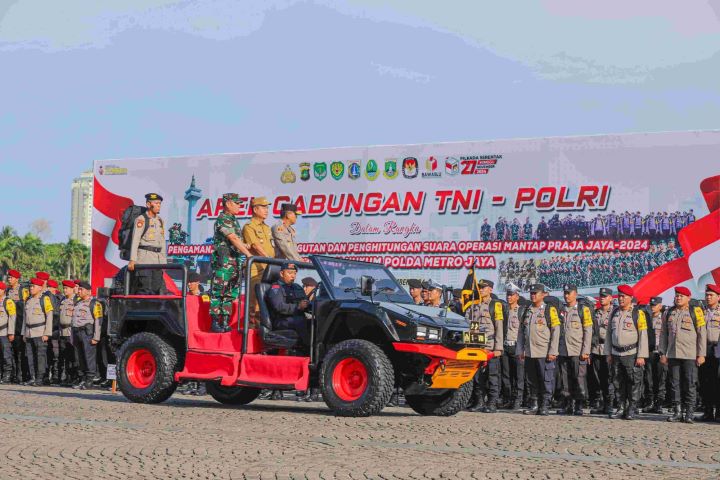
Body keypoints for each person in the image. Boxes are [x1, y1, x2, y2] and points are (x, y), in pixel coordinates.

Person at [660, 286, 706, 423]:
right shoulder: (669, 312)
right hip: (673, 353)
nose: (678, 298)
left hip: (690, 354)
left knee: (690, 383)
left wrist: (701, 354)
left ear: (688, 298)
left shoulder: (696, 311)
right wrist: (663, 353)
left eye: (681, 296)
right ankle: (677, 411)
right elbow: (663, 334)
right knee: (674, 384)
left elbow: (701, 334)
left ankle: (689, 412)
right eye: (677, 296)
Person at [210, 194, 253, 333]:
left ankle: (225, 322)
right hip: (224, 262)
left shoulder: (233, 220)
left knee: (230, 293)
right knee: (218, 292)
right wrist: (248, 254)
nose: (240, 206)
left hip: (235, 262)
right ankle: (215, 322)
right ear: (228, 204)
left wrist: (246, 246)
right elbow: (232, 238)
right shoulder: (222, 219)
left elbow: (237, 241)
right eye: (237, 203)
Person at [605, 284, 648, 420]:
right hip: (616, 353)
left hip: (631, 353)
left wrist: (641, 355)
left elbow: (643, 335)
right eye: (619, 296)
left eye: (623, 296)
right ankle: (621, 407)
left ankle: (631, 408)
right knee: (618, 382)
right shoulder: (614, 312)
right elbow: (608, 335)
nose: (621, 299)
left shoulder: (637, 314)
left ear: (630, 298)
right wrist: (608, 353)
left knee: (633, 382)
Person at [517, 283, 560, 415]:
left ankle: (545, 404)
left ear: (543, 294)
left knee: (545, 379)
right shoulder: (526, 310)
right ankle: (534, 404)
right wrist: (520, 350)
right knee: (532, 380)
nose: (533, 295)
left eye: (536, 293)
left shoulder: (549, 310)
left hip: (544, 351)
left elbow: (555, 330)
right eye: (531, 293)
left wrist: (553, 351)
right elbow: (521, 332)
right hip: (530, 351)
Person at [465, 279, 505, 413]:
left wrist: (498, 347)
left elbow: (499, 327)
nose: (481, 290)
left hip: (490, 346)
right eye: (480, 287)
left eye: (484, 287)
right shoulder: (473, 305)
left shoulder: (495, 305)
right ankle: (479, 401)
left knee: (492, 375)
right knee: (477, 377)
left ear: (491, 289)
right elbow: (470, 325)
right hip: (476, 346)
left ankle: (492, 402)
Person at [557, 284, 593, 416]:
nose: (566, 296)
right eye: (565, 293)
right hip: (563, 349)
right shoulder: (561, 309)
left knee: (579, 378)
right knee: (565, 379)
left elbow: (588, 331)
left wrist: (586, 350)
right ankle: (568, 404)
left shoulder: (583, 309)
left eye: (569, 293)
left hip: (578, 349)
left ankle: (579, 404)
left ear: (575, 294)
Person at [242, 197, 275, 321]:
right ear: (255, 209)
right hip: (256, 269)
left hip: (268, 268)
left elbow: (272, 248)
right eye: (264, 207)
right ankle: (250, 330)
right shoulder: (249, 227)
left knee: (266, 300)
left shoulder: (267, 228)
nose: (267, 210)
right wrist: (269, 259)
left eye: (267, 207)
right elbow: (255, 246)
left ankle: (262, 328)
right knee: (254, 302)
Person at [128, 193, 167, 294]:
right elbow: (135, 239)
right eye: (156, 203)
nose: (159, 205)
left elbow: (162, 243)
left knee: (157, 288)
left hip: (157, 261)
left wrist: (164, 263)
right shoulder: (141, 219)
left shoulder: (160, 221)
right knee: (145, 289)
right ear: (148, 205)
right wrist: (132, 260)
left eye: (160, 203)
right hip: (144, 259)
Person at [266, 264, 310, 346]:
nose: (293, 276)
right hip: (281, 320)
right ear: (282, 274)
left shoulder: (297, 287)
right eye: (290, 273)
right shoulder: (275, 288)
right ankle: (308, 348)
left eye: (295, 273)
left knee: (315, 322)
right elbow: (279, 307)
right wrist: (298, 307)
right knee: (300, 321)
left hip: (296, 317)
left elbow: (305, 301)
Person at [71, 281, 103, 390]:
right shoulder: (77, 303)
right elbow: (73, 321)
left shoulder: (94, 303)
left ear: (88, 291)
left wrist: (96, 337)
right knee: (79, 358)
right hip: (77, 333)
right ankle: (82, 379)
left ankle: (89, 381)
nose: (79, 291)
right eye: (78, 289)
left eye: (81, 289)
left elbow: (98, 321)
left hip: (87, 333)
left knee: (89, 357)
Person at [23, 278, 53, 386]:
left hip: (40, 332)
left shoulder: (44, 299)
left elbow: (49, 316)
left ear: (40, 288)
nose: (31, 288)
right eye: (30, 286)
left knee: (40, 357)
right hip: (29, 332)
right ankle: (32, 377)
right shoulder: (28, 300)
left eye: (33, 286)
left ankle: (40, 378)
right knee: (30, 356)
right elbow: (24, 319)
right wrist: (24, 333)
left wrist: (47, 333)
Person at [589, 288, 614, 414]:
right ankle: (601, 403)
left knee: (608, 378)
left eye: (605, 296)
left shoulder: (614, 312)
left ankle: (609, 404)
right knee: (597, 378)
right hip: (596, 349)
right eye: (601, 296)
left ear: (610, 298)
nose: (602, 298)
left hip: (608, 349)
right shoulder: (596, 313)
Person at [502, 285, 527, 411]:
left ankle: (518, 399)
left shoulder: (521, 311)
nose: (509, 297)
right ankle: (508, 398)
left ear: (517, 296)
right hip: (505, 345)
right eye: (508, 294)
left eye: (511, 295)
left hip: (517, 346)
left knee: (518, 375)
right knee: (506, 375)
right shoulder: (504, 310)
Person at [642, 296, 667, 414]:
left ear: (660, 306)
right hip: (648, 352)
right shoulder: (646, 318)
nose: (653, 307)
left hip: (660, 352)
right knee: (648, 379)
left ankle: (659, 403)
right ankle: (650, 402)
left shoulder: (664, 318)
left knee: (660, 379)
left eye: (655, 305)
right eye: (651, 305)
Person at [700, 284, 720, 421]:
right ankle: (707, 410)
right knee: (705, 381)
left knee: (718, 381)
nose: (708, 297)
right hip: (704, 349)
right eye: (706, 295)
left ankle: (718, 411)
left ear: (718, 297)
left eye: (711, 295)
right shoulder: (700, 311)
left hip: (718, 348)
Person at [6, 269, 29, 383]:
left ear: (17, 279)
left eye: (11, 278)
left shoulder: (23, 291)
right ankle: (12, 375)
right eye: (8, 277)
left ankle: (22, 375)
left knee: (20, 352)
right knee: (10, 352)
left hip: (19, 325)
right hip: (8, 326)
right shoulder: (6, 291)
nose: (9, 279)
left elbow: (26, 309)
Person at [57, 280, 78, 386]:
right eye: (64, 288)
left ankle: (74, 377)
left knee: (73, 356)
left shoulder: (76, 300)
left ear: (72, 289)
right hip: (62, 332)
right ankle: (68, 377)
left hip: (71, 332)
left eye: (67, 288)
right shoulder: (62, 300)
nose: (64, 290)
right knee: (65, 356)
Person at [0, 282, 17, 384]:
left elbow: (12, 317)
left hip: (4, 332)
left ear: (3, 290)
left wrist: (11, 332)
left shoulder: (8, 301)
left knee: (6, 355)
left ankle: (7, 375)